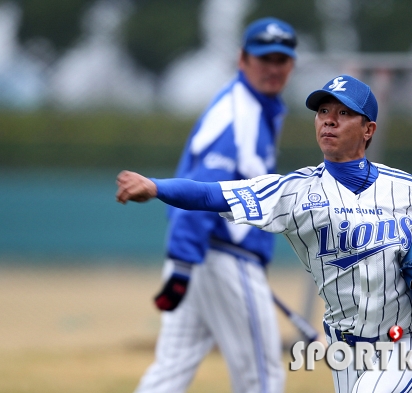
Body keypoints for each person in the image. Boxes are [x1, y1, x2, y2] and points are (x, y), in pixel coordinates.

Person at [116, 74, 412, 393]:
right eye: (323, 112)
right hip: (345, 346)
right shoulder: (294, 193)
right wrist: (156, 186)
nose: (329, 121)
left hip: (410, 338)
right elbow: (213, 193)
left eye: (344, 113)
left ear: (369, 130)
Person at [130, 17, 297, 393]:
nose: (273, 68)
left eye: (281, 59)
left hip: (205, 259)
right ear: (243, 59)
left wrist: (185, 266)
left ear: (292, 64)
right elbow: (202, 191)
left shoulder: (259, 109)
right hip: (221, 257)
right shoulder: (239, 117)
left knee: (168, 375)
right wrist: (184, 265)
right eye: (264, 58)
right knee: (262, 379)